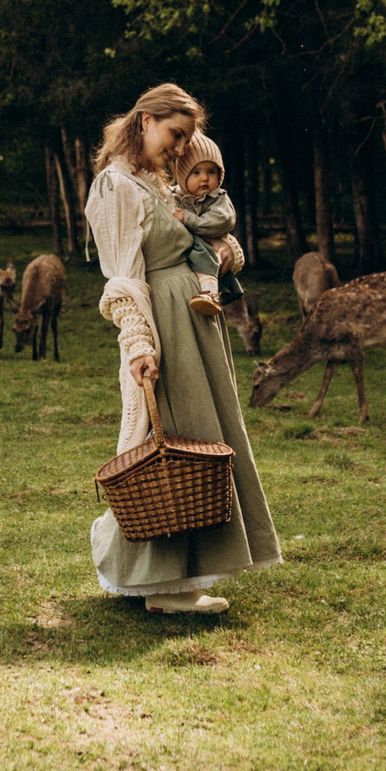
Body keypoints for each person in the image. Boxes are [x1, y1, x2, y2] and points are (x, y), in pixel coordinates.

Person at [83, 84, 280, 614]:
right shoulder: (115, 187)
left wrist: (224, 250)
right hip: (164, 330)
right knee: (170, 446)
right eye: (175, 135)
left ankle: (184, 576)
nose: (179, 148)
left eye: (186, 139)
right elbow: (122, 279)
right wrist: (138, 344)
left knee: (202, 444)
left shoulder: (154, 181)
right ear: (145, 119)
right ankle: (165, 586)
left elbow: (198, 239)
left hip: (194, 326)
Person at [170, 131, 244, 318]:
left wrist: (191, 220)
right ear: (183, 176)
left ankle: (210, 292)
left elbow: (223, 220)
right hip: (181, 266)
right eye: (196, 172)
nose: (204, 178)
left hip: (209, 249)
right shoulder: (174, 195)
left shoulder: (218, 198)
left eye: (211, 172)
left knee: (205, 251)